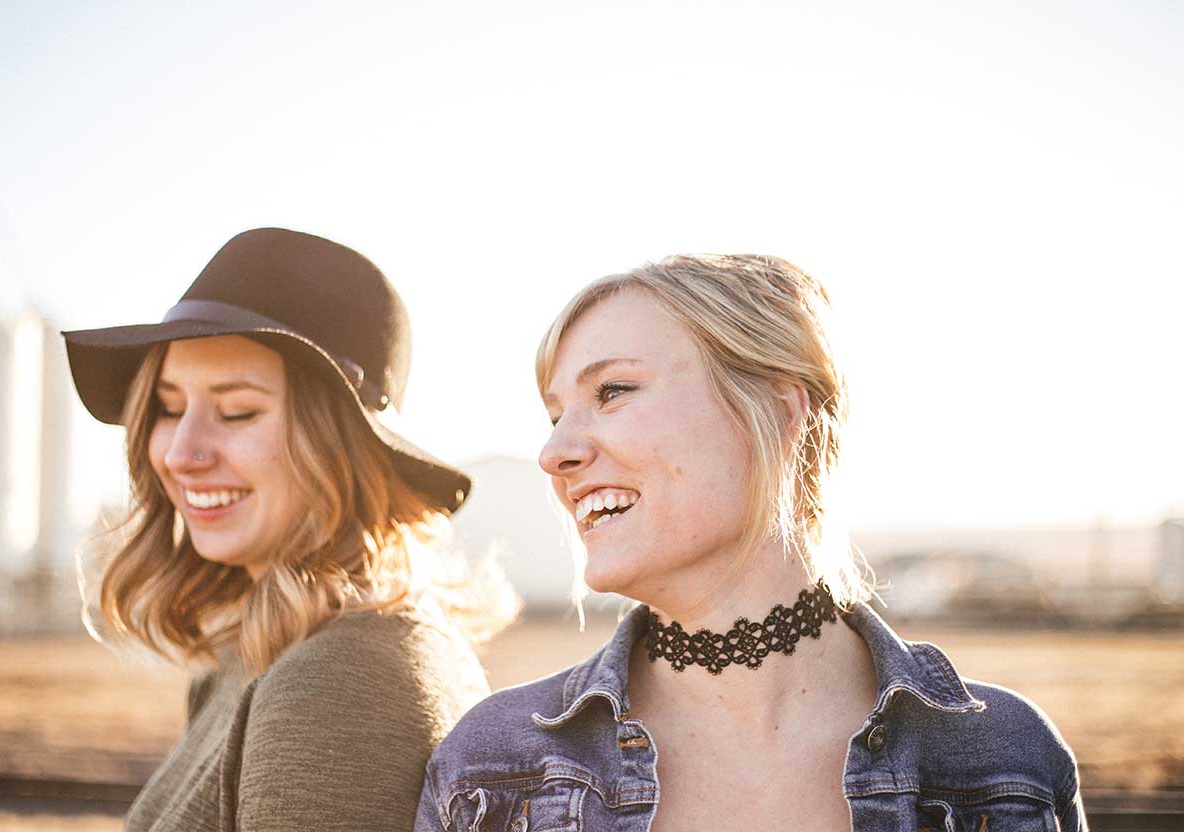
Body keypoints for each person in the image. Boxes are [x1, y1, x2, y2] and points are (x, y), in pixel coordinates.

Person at [415, 255, 1086, 832]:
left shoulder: (1006, 760)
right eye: (556, 415)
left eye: (613, 391)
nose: (554, 452)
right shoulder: (491, 768)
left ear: (780, 410)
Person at [64, 228, 506, 832]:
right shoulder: (262, 655)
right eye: (168, 408)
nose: (180, 453)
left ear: (342, 447)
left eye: (236, 411)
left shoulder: (340, 684)